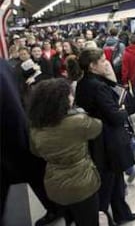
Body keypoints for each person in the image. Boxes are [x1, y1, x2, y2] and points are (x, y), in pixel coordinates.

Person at [73, 48, 135, 225]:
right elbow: (114, 116)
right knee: (107, 182)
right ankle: (101, 218)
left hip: (98, 138)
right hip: (108, 140)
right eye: (102, 61)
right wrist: (123, 111)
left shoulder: (83, 83)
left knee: (116, 177)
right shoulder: (99, 86)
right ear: (92, 66)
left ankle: (121, 212)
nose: (106, 63)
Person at [28, 78, 102, 226]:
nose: (72, 97)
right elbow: (97, 127)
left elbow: (35, 151)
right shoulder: (77, 121)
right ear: (61, 100)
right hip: (82, 184)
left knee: (70, 218)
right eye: (69, 95)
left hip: (55, 184)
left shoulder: (35, 128)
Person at [0, 59, 62, 226]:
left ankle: (58, 208)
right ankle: (57, 208)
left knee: (37, 176)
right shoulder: (4, 65)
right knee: (37, 176)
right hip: (21, 134)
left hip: (13, 140)